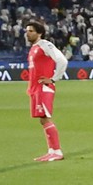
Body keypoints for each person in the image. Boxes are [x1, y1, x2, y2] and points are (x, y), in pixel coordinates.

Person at [24, 21, 68, 161]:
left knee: (46, 117)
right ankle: (52, 150)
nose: (28, 33)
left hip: (44, 87)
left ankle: (57, 151)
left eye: (31, 31)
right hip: (35, 88)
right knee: (43, 119)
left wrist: (54, 78)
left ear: (39, 33)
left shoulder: (45, 45)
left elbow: (62, 60)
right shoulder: (33, 48)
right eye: (27, 31)